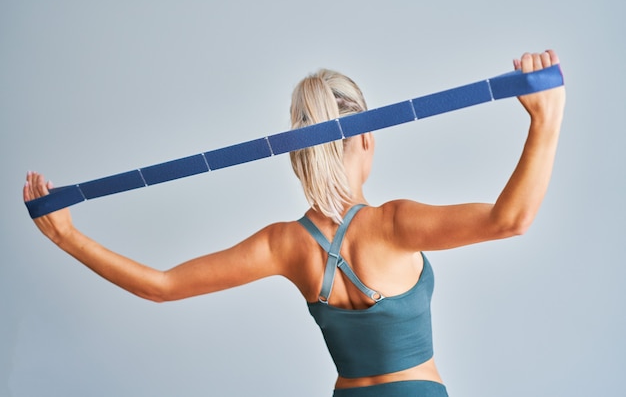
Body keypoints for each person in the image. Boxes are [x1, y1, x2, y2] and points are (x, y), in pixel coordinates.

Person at [24, 50, 565, 397]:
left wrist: (67, 236)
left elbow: (161, 287)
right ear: (367, 137)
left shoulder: (285, 245)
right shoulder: (395, 224)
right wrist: (547, 116)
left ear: (296, 154)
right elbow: (509, 219)